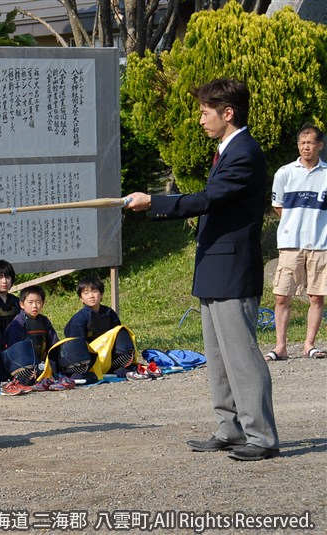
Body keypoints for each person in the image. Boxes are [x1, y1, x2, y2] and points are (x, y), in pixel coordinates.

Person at [127, 78, 279, 461]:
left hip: (232, 269)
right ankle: (229, 428)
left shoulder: (244, 152)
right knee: (218, 355)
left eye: (204, 112)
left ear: (228, 113)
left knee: (241, 355)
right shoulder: (228, 151)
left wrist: (155, 201)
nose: (199, 120)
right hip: (214, 266)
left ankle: (261, 436)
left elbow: (209, 199)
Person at [267, 123, 327, 361]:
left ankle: (309, 344)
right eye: (302, 143)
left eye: (310, 143)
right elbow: (278, 205)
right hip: (291, 243)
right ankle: (280, 346)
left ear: (319, 146)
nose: (305, 147)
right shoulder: (284, 173)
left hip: (320, 244)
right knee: (282, 296)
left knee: (316, 296)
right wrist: (295, 225)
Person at [58, 276, 140, 381]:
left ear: (101, 295)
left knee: (121, 330)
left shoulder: (109, 313)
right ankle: (83, 374)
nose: (91, 296)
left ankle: (121, 366)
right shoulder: (79, 318)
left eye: (95, 291)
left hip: (107, 356)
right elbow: (76, 345)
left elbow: (117, 337)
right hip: (87, 359)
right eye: (86, 293)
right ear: (81, 299)